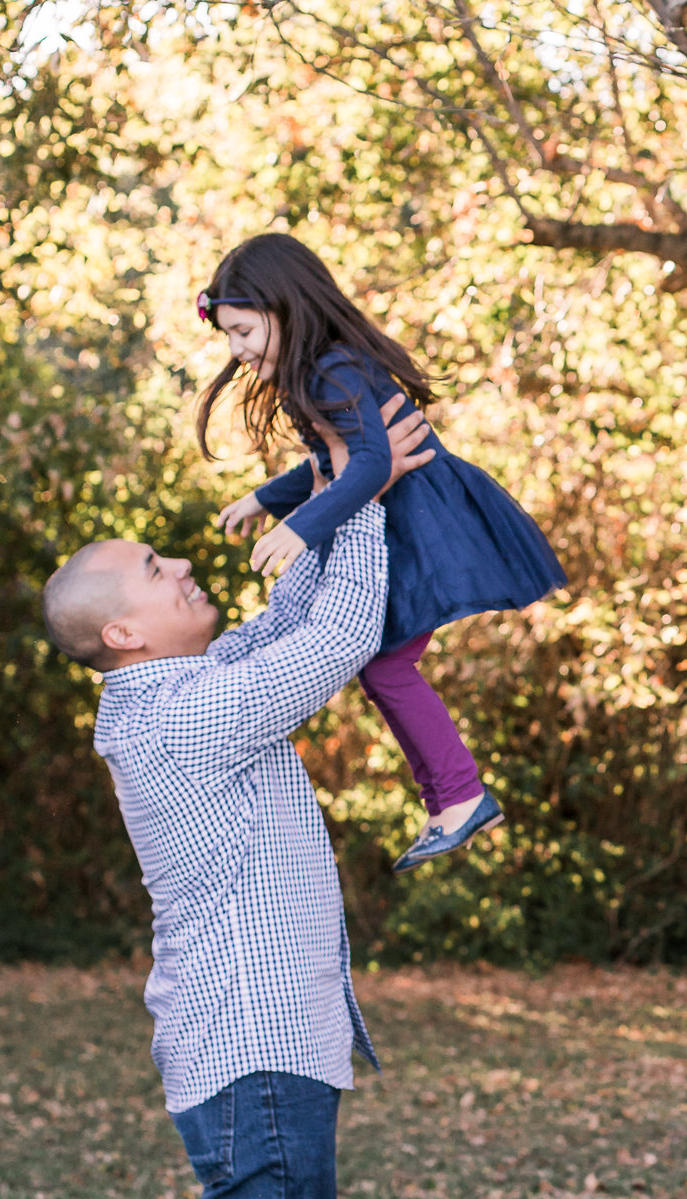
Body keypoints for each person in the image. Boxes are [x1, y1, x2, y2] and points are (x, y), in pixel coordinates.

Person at [38, 396, 434, 1199]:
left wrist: (337, 478)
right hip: (254, 1058)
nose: (178, 564)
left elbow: (302, 617)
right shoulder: (172, 715)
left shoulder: (191, 684)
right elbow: (340, 640)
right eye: (154, 572)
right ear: (121, 631)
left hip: (265, 1051)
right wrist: (354, 500)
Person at [197, 231, 567, 872]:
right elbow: (332, 459)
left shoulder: (331, 369)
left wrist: (302, 526)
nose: (237, 350)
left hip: (422, 529)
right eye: (228, 335)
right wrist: (266, 498)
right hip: (408, 525)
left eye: (244, 332)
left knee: (388, 669)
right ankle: (453, 799)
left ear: (284, 307)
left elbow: (369, 465)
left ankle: (461, 796)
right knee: (382, 669)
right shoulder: (319, 371)